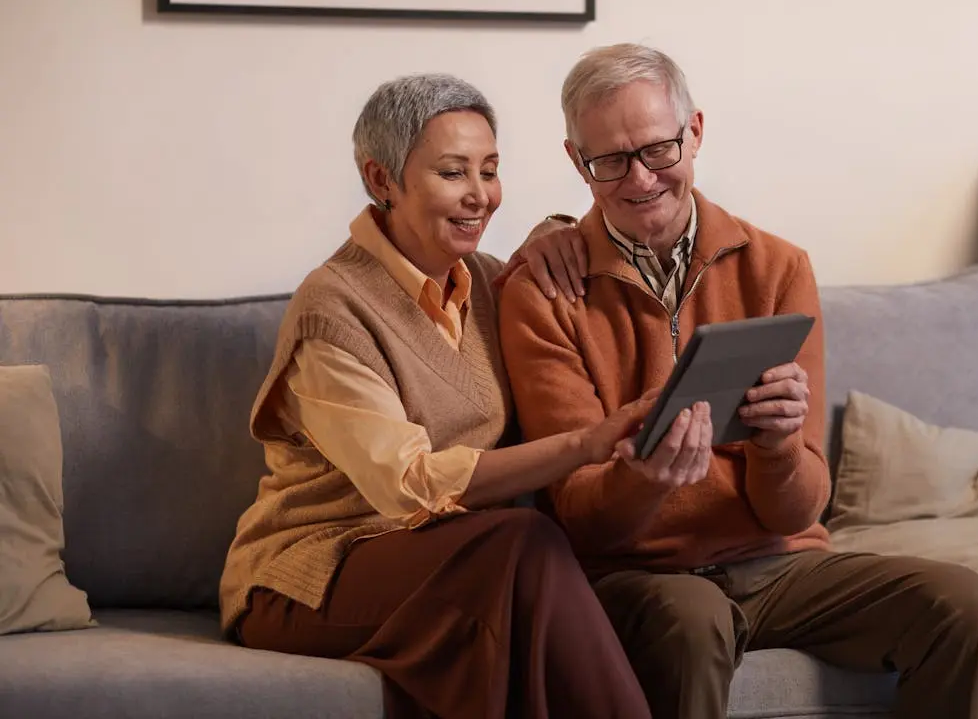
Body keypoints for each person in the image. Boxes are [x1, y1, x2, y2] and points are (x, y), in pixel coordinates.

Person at [497, 43, 978, 719]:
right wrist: (645, 477)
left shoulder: (778, 268)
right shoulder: (542, 292)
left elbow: (800, 512)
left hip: (779, 566)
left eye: (658, 151)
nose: (640, 179)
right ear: (575, 161)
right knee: (692, 617)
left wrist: (779, 446)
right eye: (609, 161)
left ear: (695, 132)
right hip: (635, 578)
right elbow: (583, 519)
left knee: (962, 603)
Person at [217, 73, 657, 719]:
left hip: (462, 559)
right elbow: (410, 484)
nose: (480, 196)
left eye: (490, 170)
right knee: (523, 547)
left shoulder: (482, 280)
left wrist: (564, 231)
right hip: (312, 573)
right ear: (380, 180)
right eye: (453, 173)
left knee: (519, 578)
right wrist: (587, 444)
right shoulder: (333, 309)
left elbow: (553, 254)